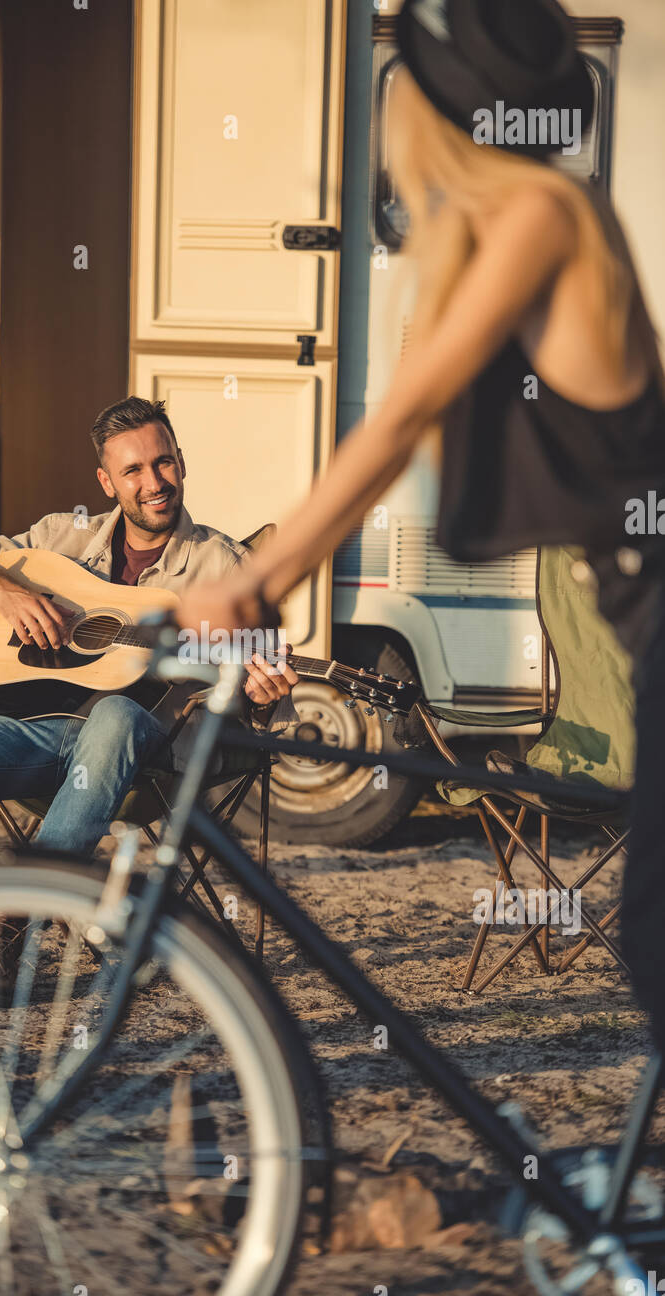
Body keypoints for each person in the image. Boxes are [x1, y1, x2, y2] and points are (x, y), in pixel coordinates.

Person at [177, 0, 665, 1046]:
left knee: (656, 941)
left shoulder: (546, 214)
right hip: (639, 609)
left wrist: (261, 580)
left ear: (438, 104)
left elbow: (402, 421)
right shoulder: (518, 222)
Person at [0, 395, 297, 1001]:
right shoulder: (60, 538)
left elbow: (269, 708)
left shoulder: (223, 563)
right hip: (43, 733)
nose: (154, 483)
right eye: (134, 471)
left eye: (164, 463)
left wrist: (258, 695)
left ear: (180, 461)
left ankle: (14, 913)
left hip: (150, 752)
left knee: (119, 712)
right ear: (106, 480)